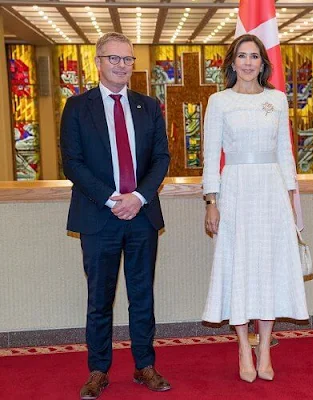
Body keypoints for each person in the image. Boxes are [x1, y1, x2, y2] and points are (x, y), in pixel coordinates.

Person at [60, 32, 171, 399]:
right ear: (98, 61)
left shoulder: (149, 106)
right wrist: (113, 199)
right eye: (114, 59)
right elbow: (72, 164)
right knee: (99, 298)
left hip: (142, 216)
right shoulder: (77, 107)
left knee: (142, 295)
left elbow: (161, 159)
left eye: (128, 60)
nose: (122, 66)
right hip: (98, 217)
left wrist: (138, 197)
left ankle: (145, 365)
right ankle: (98, 370)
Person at [201, 34, 309, 383]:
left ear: (263, 64)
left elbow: (285, 153)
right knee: (239, 265)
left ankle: (264, 348)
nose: (248, 63)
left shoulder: (277, 100)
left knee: (268, 267)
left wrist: (292, 198)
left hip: (271, 191)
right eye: (242, 56)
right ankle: (243, 347)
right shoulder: (218, 102)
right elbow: (209, 157)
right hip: (234, 191)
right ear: (232, 63)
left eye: (255, 57)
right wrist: (211, 202)